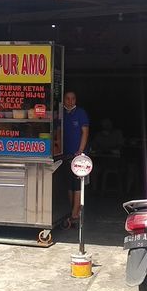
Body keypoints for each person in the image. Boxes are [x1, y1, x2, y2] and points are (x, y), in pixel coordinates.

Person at [63, 91, 89, 221]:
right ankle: (71, 210)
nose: (70, 101)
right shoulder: (60, 114)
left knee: (78, 185)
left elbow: (85, 132)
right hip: (64, 155)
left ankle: (74, 213)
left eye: (73, 98)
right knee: (69, 185)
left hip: (77, 156)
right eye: (67, 99)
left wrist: (80, 150)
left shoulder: (80, 113)